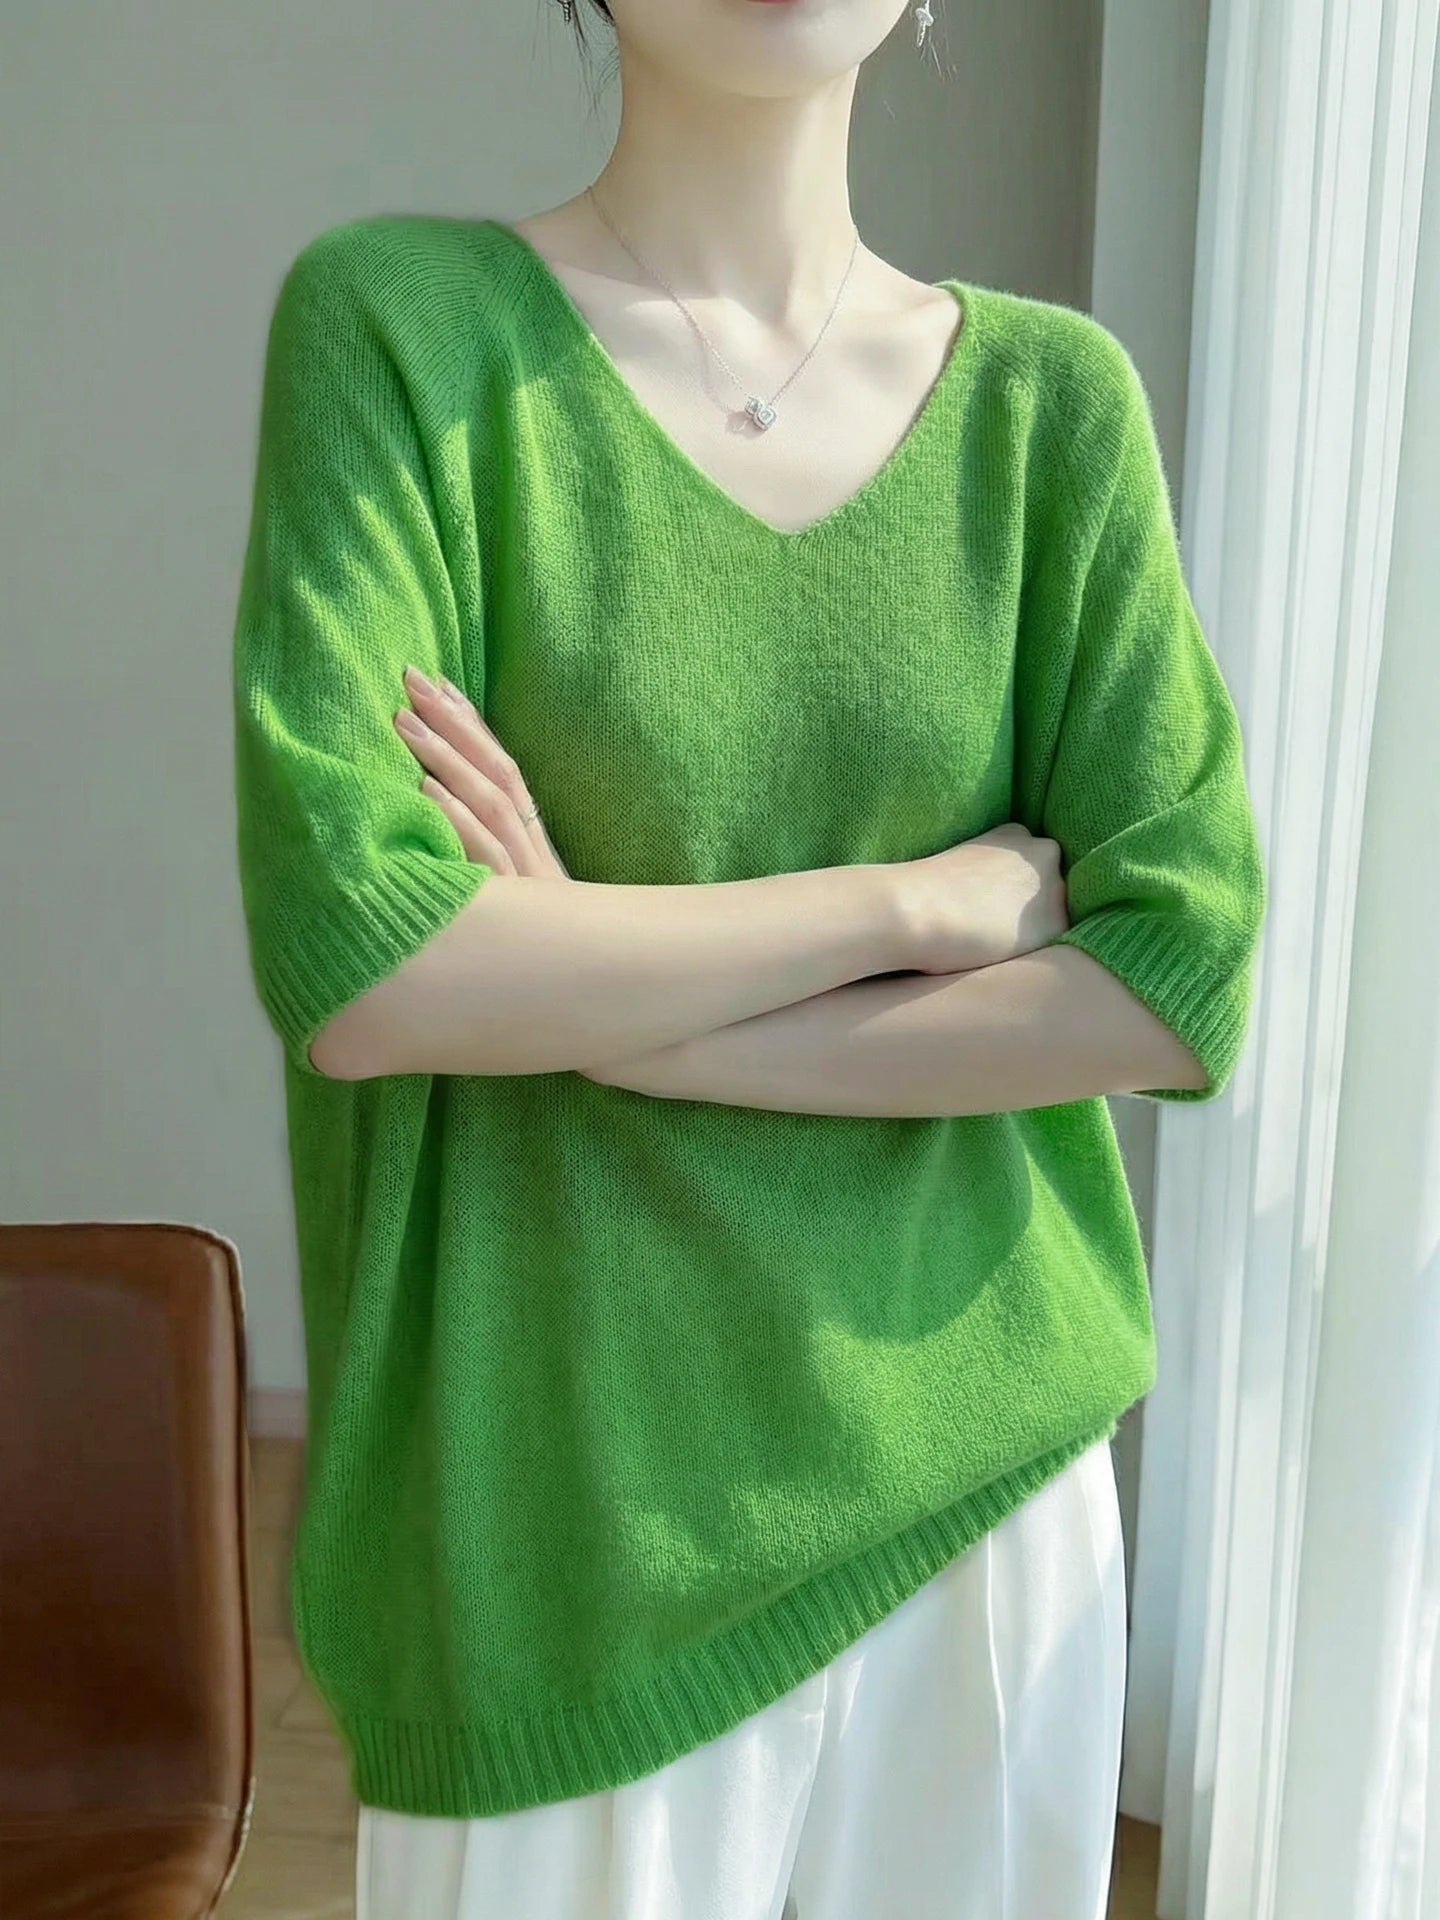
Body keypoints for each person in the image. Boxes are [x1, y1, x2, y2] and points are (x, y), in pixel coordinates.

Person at [230, 1, 1267, 1915]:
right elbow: (372, 970)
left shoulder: (1051, 410)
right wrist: (909, 909)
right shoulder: (403, 335)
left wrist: (608, 1007)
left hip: (982, 1503)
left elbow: (1172, 975)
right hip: (557, 1534)